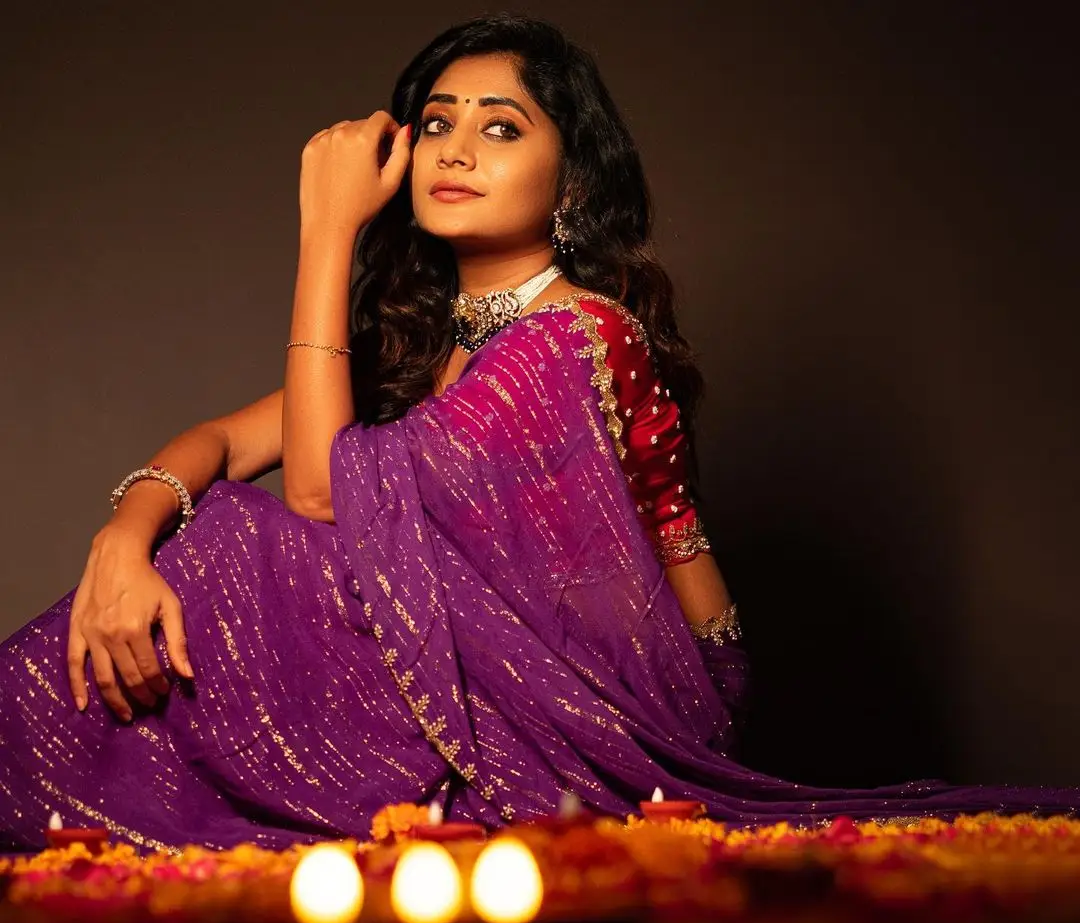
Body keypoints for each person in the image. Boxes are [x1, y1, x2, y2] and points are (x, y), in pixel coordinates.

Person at [0, 16, 1075, 856]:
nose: (454, 148)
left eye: (500, 126)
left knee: (242, 546)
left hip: (632, 708)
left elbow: (321, 496)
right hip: (512, 682)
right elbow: (223, 442)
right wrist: (120, 542)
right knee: (204, 538)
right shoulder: (442, 345)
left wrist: (326, 233)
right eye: (436, 122)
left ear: (572, 182)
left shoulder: (573, 339)